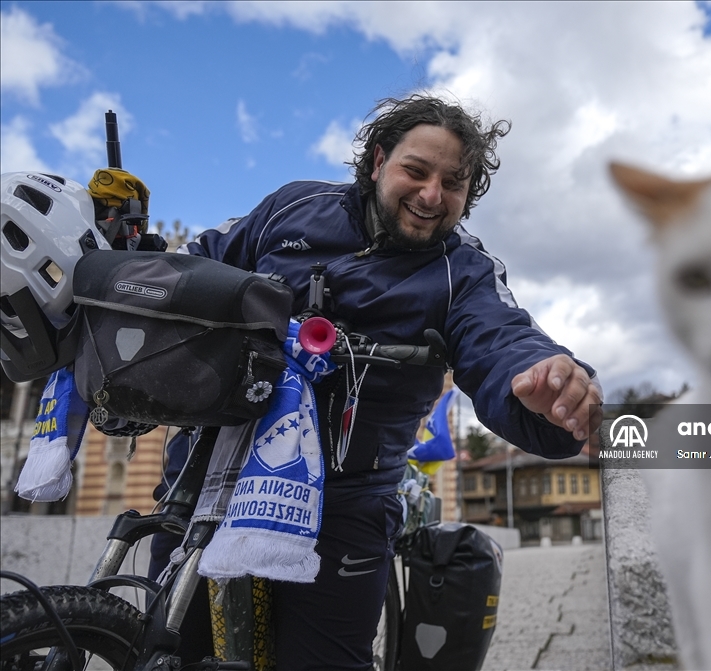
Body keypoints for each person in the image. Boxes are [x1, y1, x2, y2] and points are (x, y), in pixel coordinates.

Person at [151, 94, 602, 668]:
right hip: (205, 475)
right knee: (162, 653)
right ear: (378, 162)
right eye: (416, 171)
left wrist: (544, 384)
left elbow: (501, 338)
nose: (432, 195)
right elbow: (200, 261)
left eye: (454, 182)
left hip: (344, 503)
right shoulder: (293, 206)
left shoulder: (462, 271)